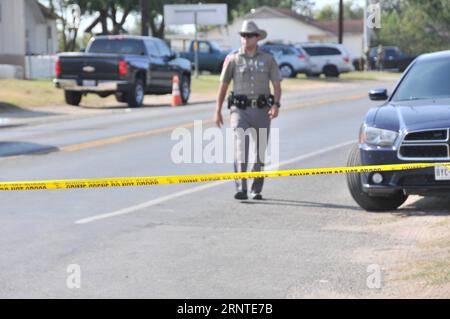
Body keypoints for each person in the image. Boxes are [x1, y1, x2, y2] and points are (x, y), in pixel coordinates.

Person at [214, 20, 282, 200]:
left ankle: (256, 189)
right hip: (239, 111)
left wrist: (275, 104)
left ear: (257, 37)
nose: (245, 39)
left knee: (259, 152)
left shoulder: (268, 59)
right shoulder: (233, 59)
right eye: (243, 35)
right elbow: (223, 85)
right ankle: (241, 187)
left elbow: (276, 84)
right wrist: (217, 110)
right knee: (240, 149)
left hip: (262, 111)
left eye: (249, 35)